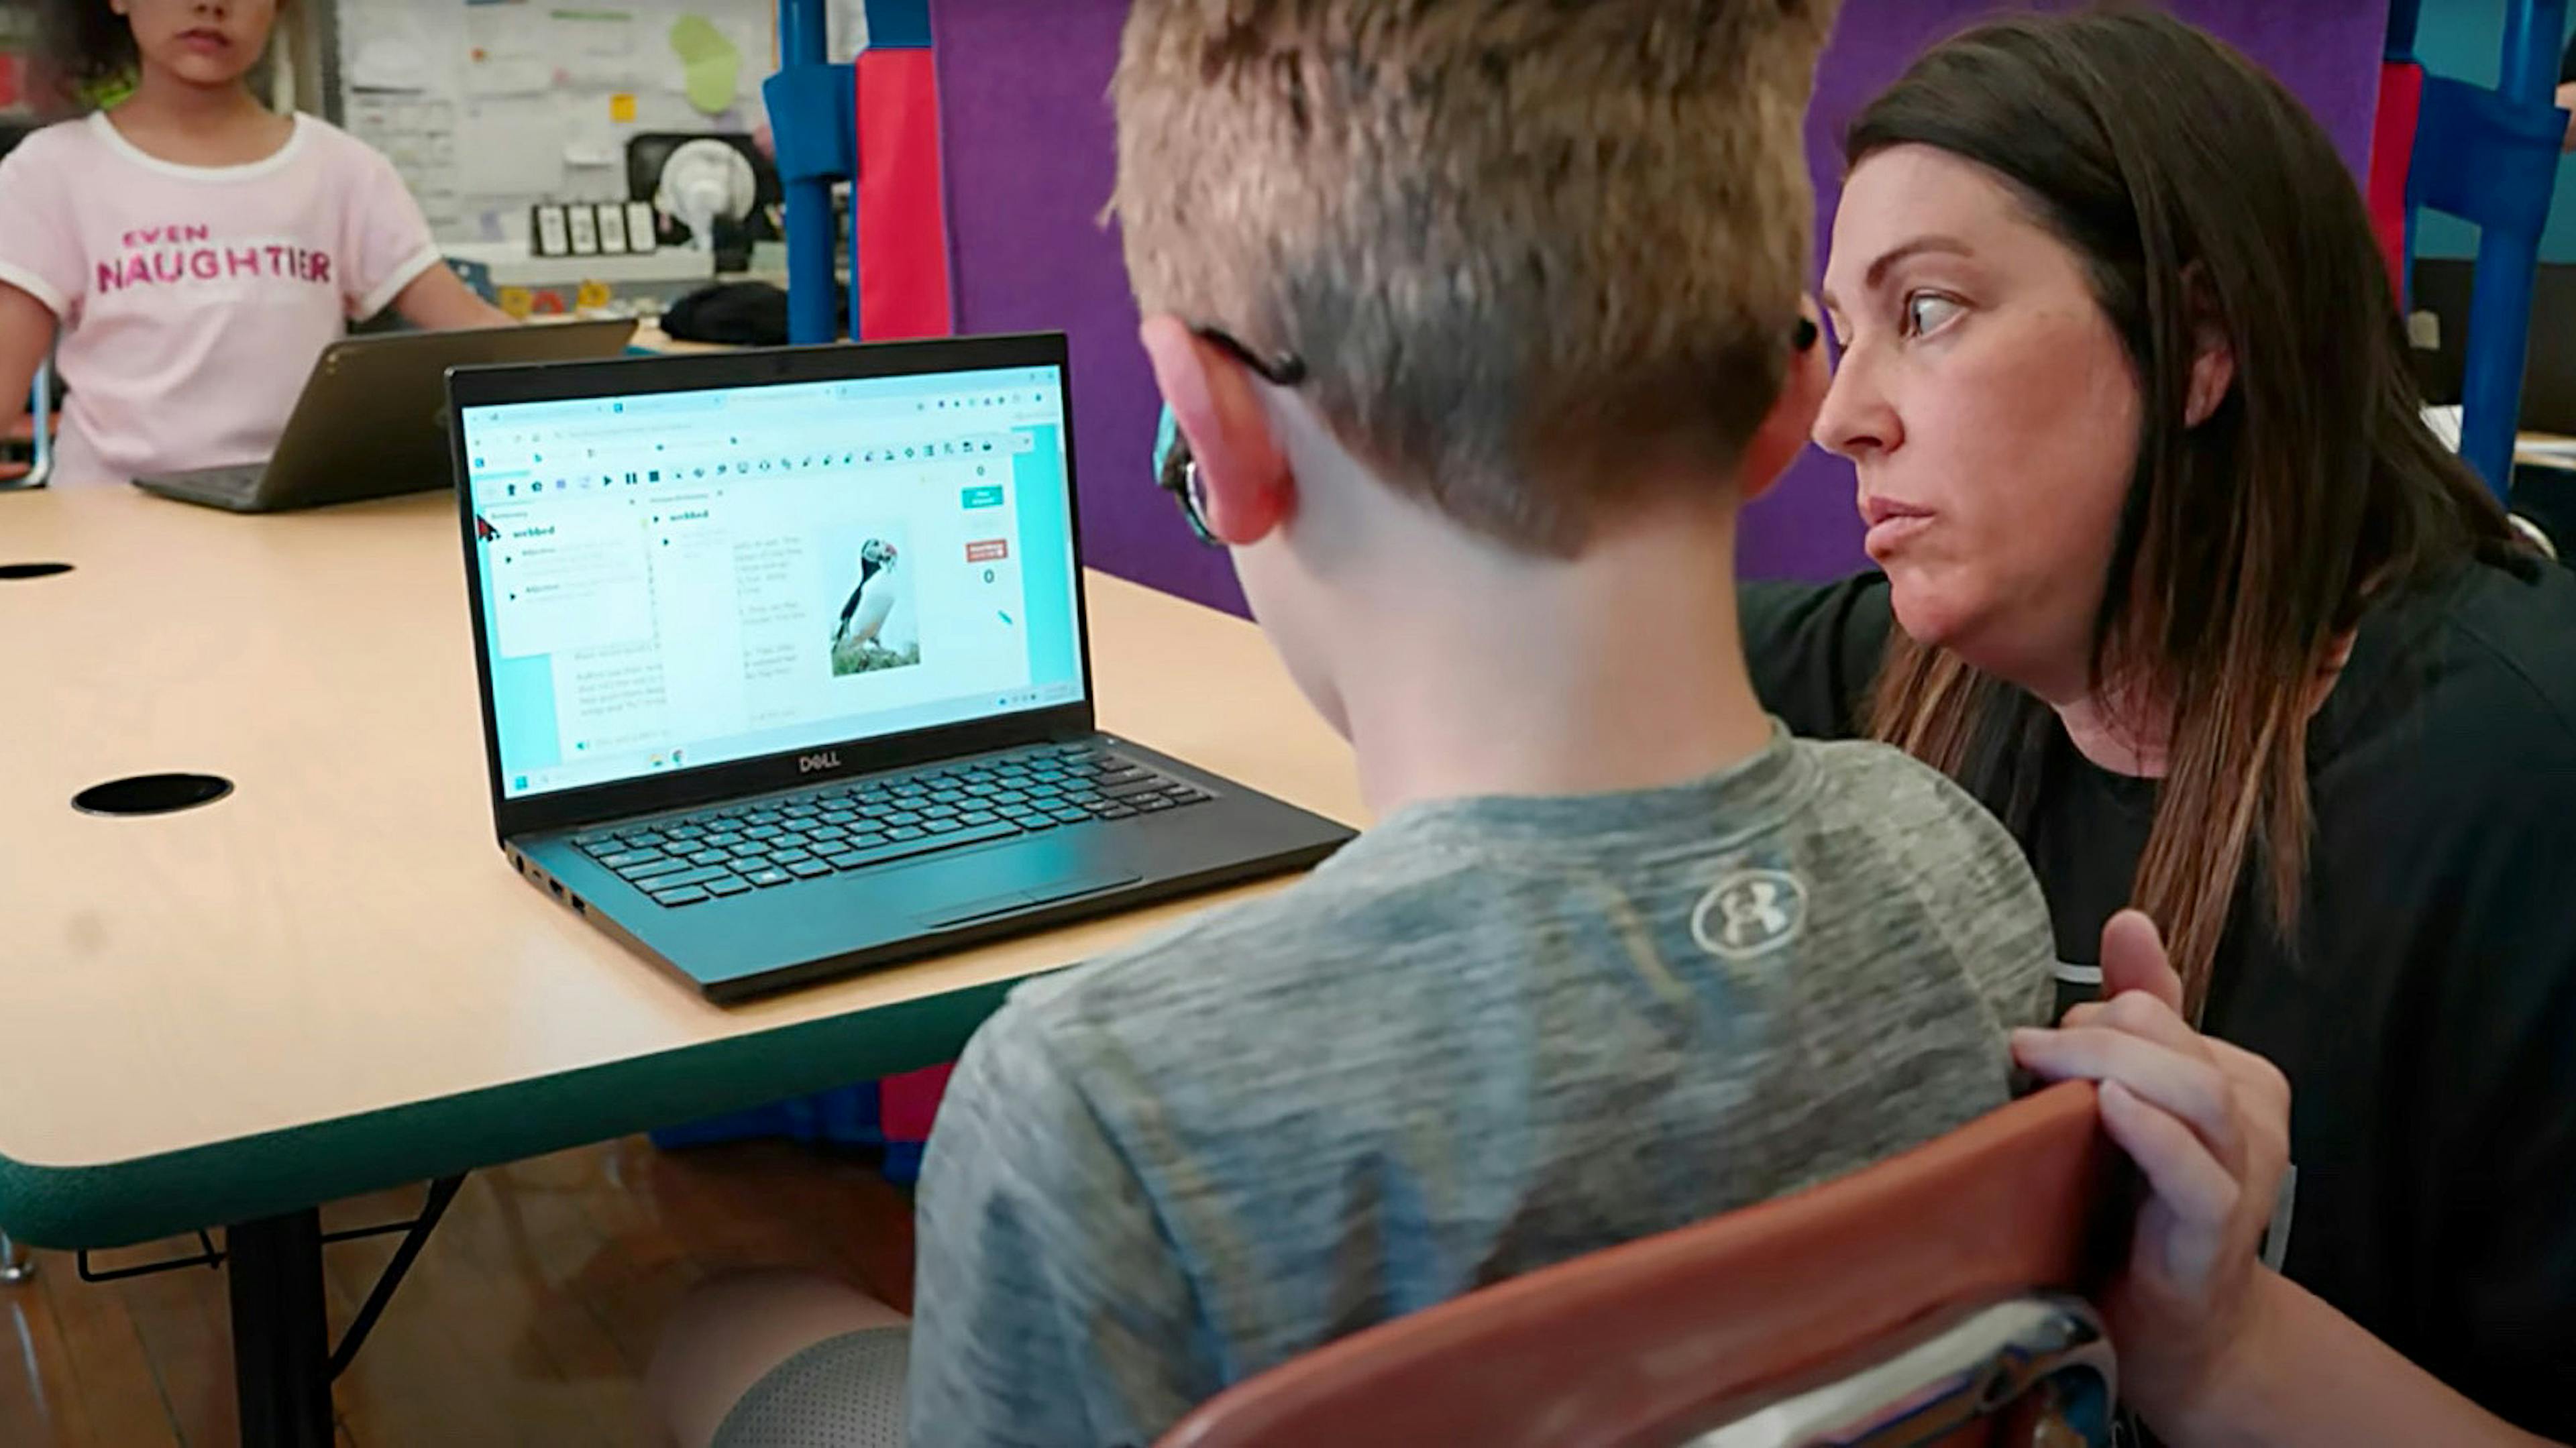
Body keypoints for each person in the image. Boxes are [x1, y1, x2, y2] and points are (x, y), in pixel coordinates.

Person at [649, 1, 2078, 1443]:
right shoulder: (1959, 872)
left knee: (722, 1317)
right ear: (1792, 400)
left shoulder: (1098, 1112)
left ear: (1218, 433)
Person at [1768, 11, 2576, 1443]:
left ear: (2201, 342)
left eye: (1928, 311)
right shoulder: (1915, 672)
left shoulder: (2522, 781)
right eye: (1842, 333)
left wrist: (2220, 1343)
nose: (1842, 415)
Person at [0, 0, 509, 488]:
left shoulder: (342, 170)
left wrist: (582, 365)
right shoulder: (52, 171)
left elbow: (483, 335)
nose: (212, 4)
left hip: (295, 523)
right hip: (113, 525)